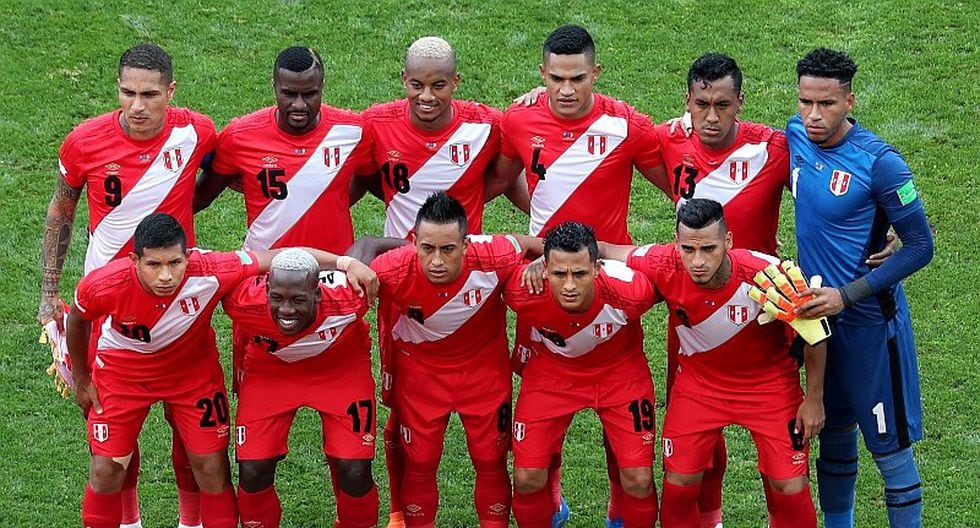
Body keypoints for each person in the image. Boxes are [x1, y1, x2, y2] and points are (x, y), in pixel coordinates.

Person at [64, 212, 376, 528]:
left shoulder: (212, 269)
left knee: (211, 468)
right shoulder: (104, 284)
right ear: (134, 261)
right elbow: (77, 319)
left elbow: (280, 257)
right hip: (123, 376)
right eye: (153, 265)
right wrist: (81, 378)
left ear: (188, 256)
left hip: (192, 377)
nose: (165, 276)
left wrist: (345, 262)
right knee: (106, 470)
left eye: (174, 263)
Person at [492, 25, 669, 526]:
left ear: (596, 73)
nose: (566, 90)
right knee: (537, 436)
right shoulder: (519, 119)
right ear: (542, 74)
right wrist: (539, 239)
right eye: (556, 78)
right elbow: (498, 180)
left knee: (627, 448)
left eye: (577, 78)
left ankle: (619, 514)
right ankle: (550, 508)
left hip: (608, 288)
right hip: (546, 282)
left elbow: (680, 186)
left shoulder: (627, 125)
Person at [39, 43, 217, 528]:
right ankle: (129, 522)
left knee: (190, 434)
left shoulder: (196, 132)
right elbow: (61, 211)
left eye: (150, 95)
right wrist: (49, 294)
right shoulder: (84, 142)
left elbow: (222, 174)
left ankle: (190, 522)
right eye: (127, 93)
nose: (137, 106)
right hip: (106, 307)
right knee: (113, 436)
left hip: (175, 301)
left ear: (170, 92)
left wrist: (182, 211)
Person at [598, 198, 825, 528]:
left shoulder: (767, 273)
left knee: (789, 487)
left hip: (769, 387)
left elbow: (816, 334)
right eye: (688, 249)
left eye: (708, 249)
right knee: (679, 484)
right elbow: (605, 249)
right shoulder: (663, 262)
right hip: (699, 386)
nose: (698, 261)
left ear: (728, 242)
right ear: (676, 243)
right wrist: (541, 256)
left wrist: (814, 400)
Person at [353, 37, 504, 528]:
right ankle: (401, 511)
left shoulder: (486, 125)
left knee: (491, 428)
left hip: (466, 280)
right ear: (403, 80)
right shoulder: (375, 124)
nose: (427, 96)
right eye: (416, 84)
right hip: (402, 287)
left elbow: (516, 160)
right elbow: (360, 177)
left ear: (455, 83)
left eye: (439, 85)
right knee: (400, 406)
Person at [786, 48, 934, 528]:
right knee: (833, 436)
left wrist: (846, 295)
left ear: (849, 101)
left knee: (889, 452)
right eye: (806, 101)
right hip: (818, 326)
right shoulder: (795, 136)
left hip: (871, 328)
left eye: (826, 104)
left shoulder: (880, 163)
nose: (813, 115)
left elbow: (920, 247)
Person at [351, 192, 542, 528]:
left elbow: (530, 243)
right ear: (413, 242)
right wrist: (351, 262)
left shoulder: (494, 254)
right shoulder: (392, 269)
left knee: (490, 460)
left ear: (467, 245)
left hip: (484, 376)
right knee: (420, 463)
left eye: (448, 249)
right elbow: (344, 276)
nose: (437, 260)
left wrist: (545, 259)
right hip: (420, 378)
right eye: (428, 248)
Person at [504, 221, 658, 528]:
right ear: (544, 269)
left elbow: (675, 278)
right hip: (551, 375)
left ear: (598, 268)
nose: (569, 285)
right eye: (559, 274)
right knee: (526, 478)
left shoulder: (634, 291)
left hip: (621, 375)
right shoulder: (520, 290)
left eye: (580, 274)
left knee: (639, 479)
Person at [222, 249, 379, 528]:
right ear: (266, 289)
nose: (286, 310)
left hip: (340, 368)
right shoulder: (241, 300)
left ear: (317, 294)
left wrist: (350, 263)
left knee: (354, 470)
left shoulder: (351, 295)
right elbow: (202, 271)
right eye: (277, 298)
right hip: (270, 371)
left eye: (298, 300)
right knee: (253, 469)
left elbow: (371, 243)